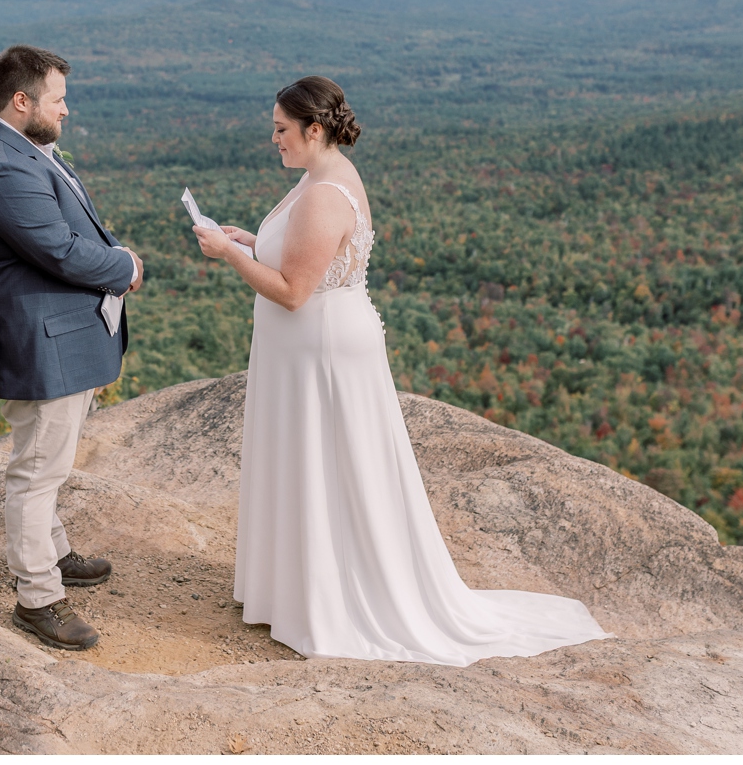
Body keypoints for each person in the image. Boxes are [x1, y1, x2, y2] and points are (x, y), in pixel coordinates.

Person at [191, 76, 610, 664]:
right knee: (323, 466)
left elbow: (293, 291)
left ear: (314, 129)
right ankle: (301, 588)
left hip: (322, 349)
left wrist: (230, 254)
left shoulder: (322, 193)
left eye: (282, 129)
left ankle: (330, 599)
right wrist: (251, 239)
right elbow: (305, 255)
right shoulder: (324, 174)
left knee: (328, 466)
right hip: (314, 345)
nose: (274, 138)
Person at [0, 44, 143, 651]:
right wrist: (125, 265)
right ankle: (37, 597)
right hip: (41, 347)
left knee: (47, 460)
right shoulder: (0, 168)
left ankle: (54, 553)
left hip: (56, 339)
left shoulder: (23, 149)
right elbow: (60, 249)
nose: (67, 110)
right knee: (36, 472)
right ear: (21, 101)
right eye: (58, 100)